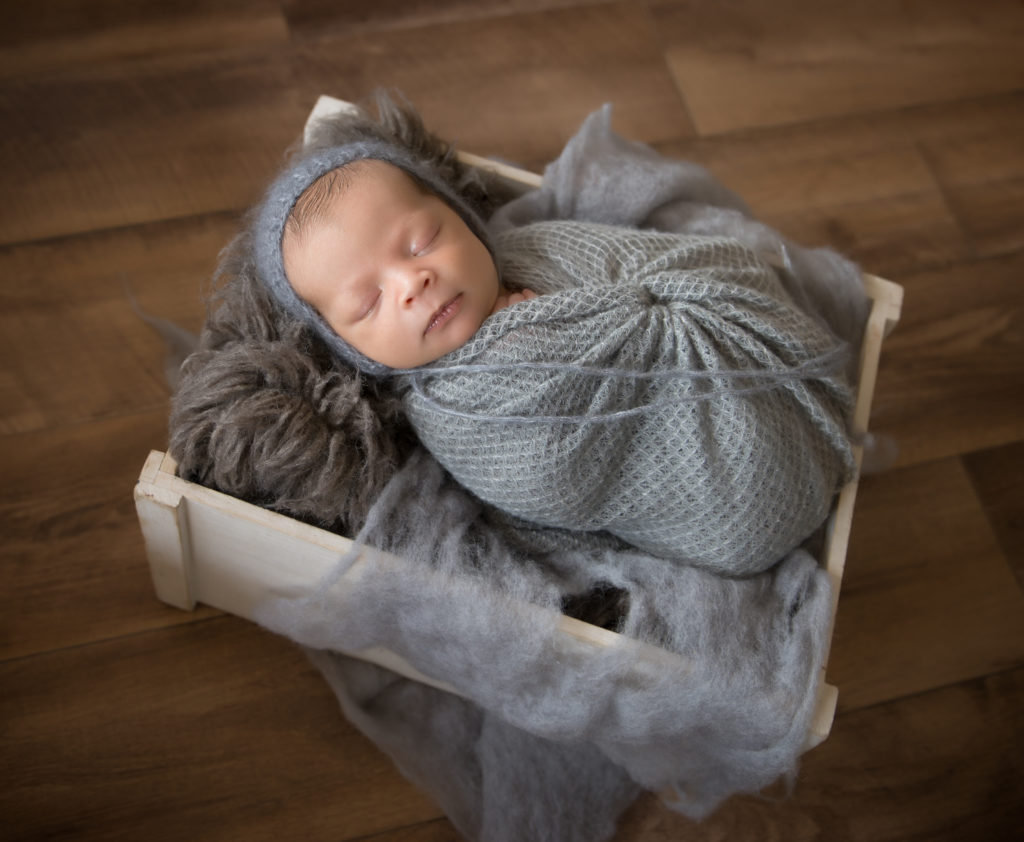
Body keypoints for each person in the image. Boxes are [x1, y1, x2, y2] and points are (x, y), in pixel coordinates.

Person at [254, 135, 857, 576]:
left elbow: (662, 262)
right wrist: (552, 340)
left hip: (750, 364)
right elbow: (552, 480)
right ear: (350, 348)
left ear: (463, 219)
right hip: (729, 502)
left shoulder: (535, 248)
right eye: (369, 302)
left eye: (421, 242)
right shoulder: (449, 411)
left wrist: (611, 314)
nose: (412, 283)